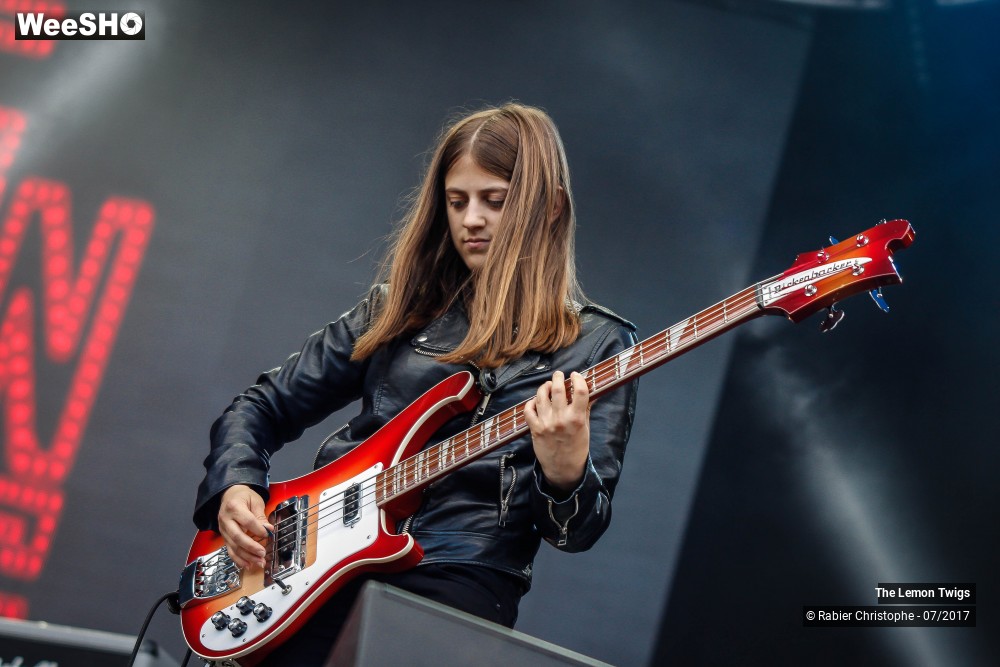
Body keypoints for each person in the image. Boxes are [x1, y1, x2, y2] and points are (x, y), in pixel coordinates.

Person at [192, 103, 639, 665]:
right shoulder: (401, 310)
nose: (470, 219)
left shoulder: (598, 347)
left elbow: (576, 533)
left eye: (494, 200)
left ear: (548, 207)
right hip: (318, 565)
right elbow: (260, 407)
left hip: (459, 584)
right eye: (457, 202)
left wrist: (566, 467)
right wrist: (236, 487)